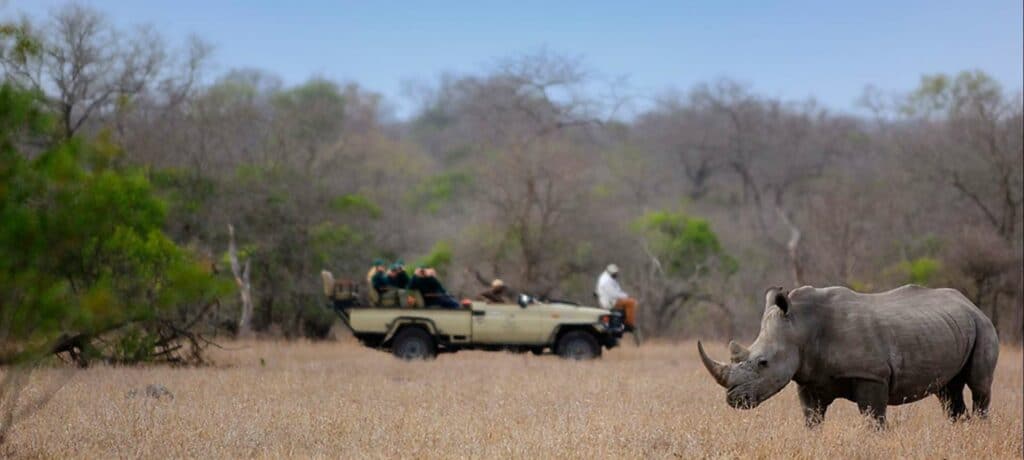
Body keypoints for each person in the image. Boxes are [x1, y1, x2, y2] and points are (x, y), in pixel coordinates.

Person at [596, 264, 638, 330]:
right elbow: (614, 294)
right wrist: (626, 296)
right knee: (631, 302)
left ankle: (622, 320)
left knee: (628, 301)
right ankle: (629, 324)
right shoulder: (607, 281)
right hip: (609, 302)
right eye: (615, 273)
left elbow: (617, 291)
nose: (616, 274)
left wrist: (625, 296)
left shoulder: (606, 277)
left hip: (608, 300)